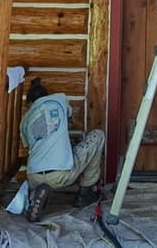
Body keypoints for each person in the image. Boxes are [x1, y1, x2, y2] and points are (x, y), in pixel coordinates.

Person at [20, 77, 105, 223]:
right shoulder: (60, 99)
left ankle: (36, 195)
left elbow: (29, 145)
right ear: (46, 96)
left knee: (42, 165)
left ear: (29, 103)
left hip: (34, 176)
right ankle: (84, 193)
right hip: (60, 176)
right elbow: (69, 122)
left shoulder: (25, 120)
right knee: (98, 135)